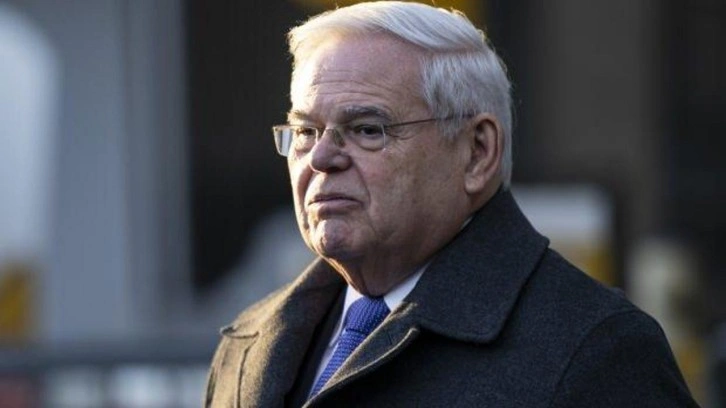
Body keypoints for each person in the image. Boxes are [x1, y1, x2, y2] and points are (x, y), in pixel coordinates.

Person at [205, 2, 698, 407]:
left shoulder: (596, 350)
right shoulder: (248, 342)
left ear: (477, 152)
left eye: (367, 129)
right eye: (306, 131)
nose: (321, 158)